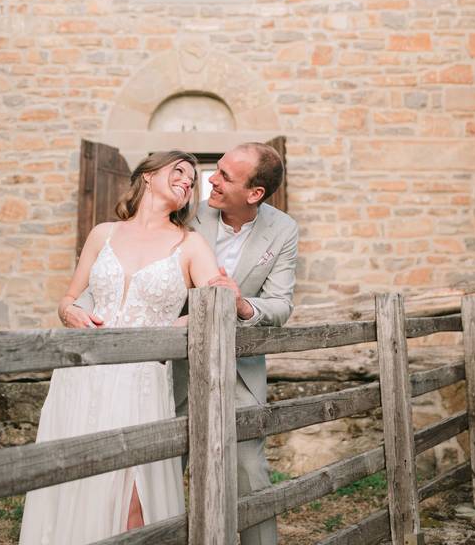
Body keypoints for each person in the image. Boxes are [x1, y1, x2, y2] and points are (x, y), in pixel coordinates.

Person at [66, 142, 298, 545]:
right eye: (214, 169)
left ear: (255, 193)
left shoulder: (282, 230)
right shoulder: (187, 212)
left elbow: (280, 305)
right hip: (168, 365)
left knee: (250, 472)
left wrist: (240, 305)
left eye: (224, 176)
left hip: (235, 369)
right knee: (157, 470)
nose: (211, 180)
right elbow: (118, 274)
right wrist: (74, 306)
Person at [19, 151, 221, 545]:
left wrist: (172, 327)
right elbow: (68, 300)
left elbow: (217, 304)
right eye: (178, 170)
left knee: (134, 494)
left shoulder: (190, 244)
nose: (188, 181)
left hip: (141, 379)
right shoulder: (103, 233)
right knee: (75, 482)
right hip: (83, 375)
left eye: (193, 178)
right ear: (147, 176)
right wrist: (71, 312)